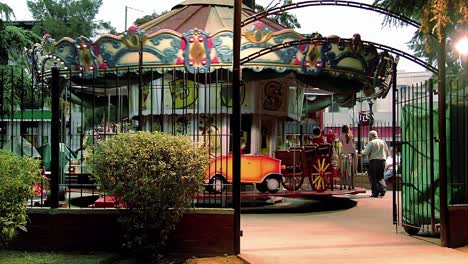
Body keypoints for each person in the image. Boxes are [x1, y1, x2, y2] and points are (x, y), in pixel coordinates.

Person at [361, 130, 390, 198]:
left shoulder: (371, 143)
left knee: (373, 177)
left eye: (369, 136)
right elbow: (388, 153)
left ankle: (375, 193)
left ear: (370, 136)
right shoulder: (383, 142)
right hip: (382, 161)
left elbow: (365, 153)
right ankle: (383, 190)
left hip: (373, 161)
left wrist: (361, 152)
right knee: (380, 177)